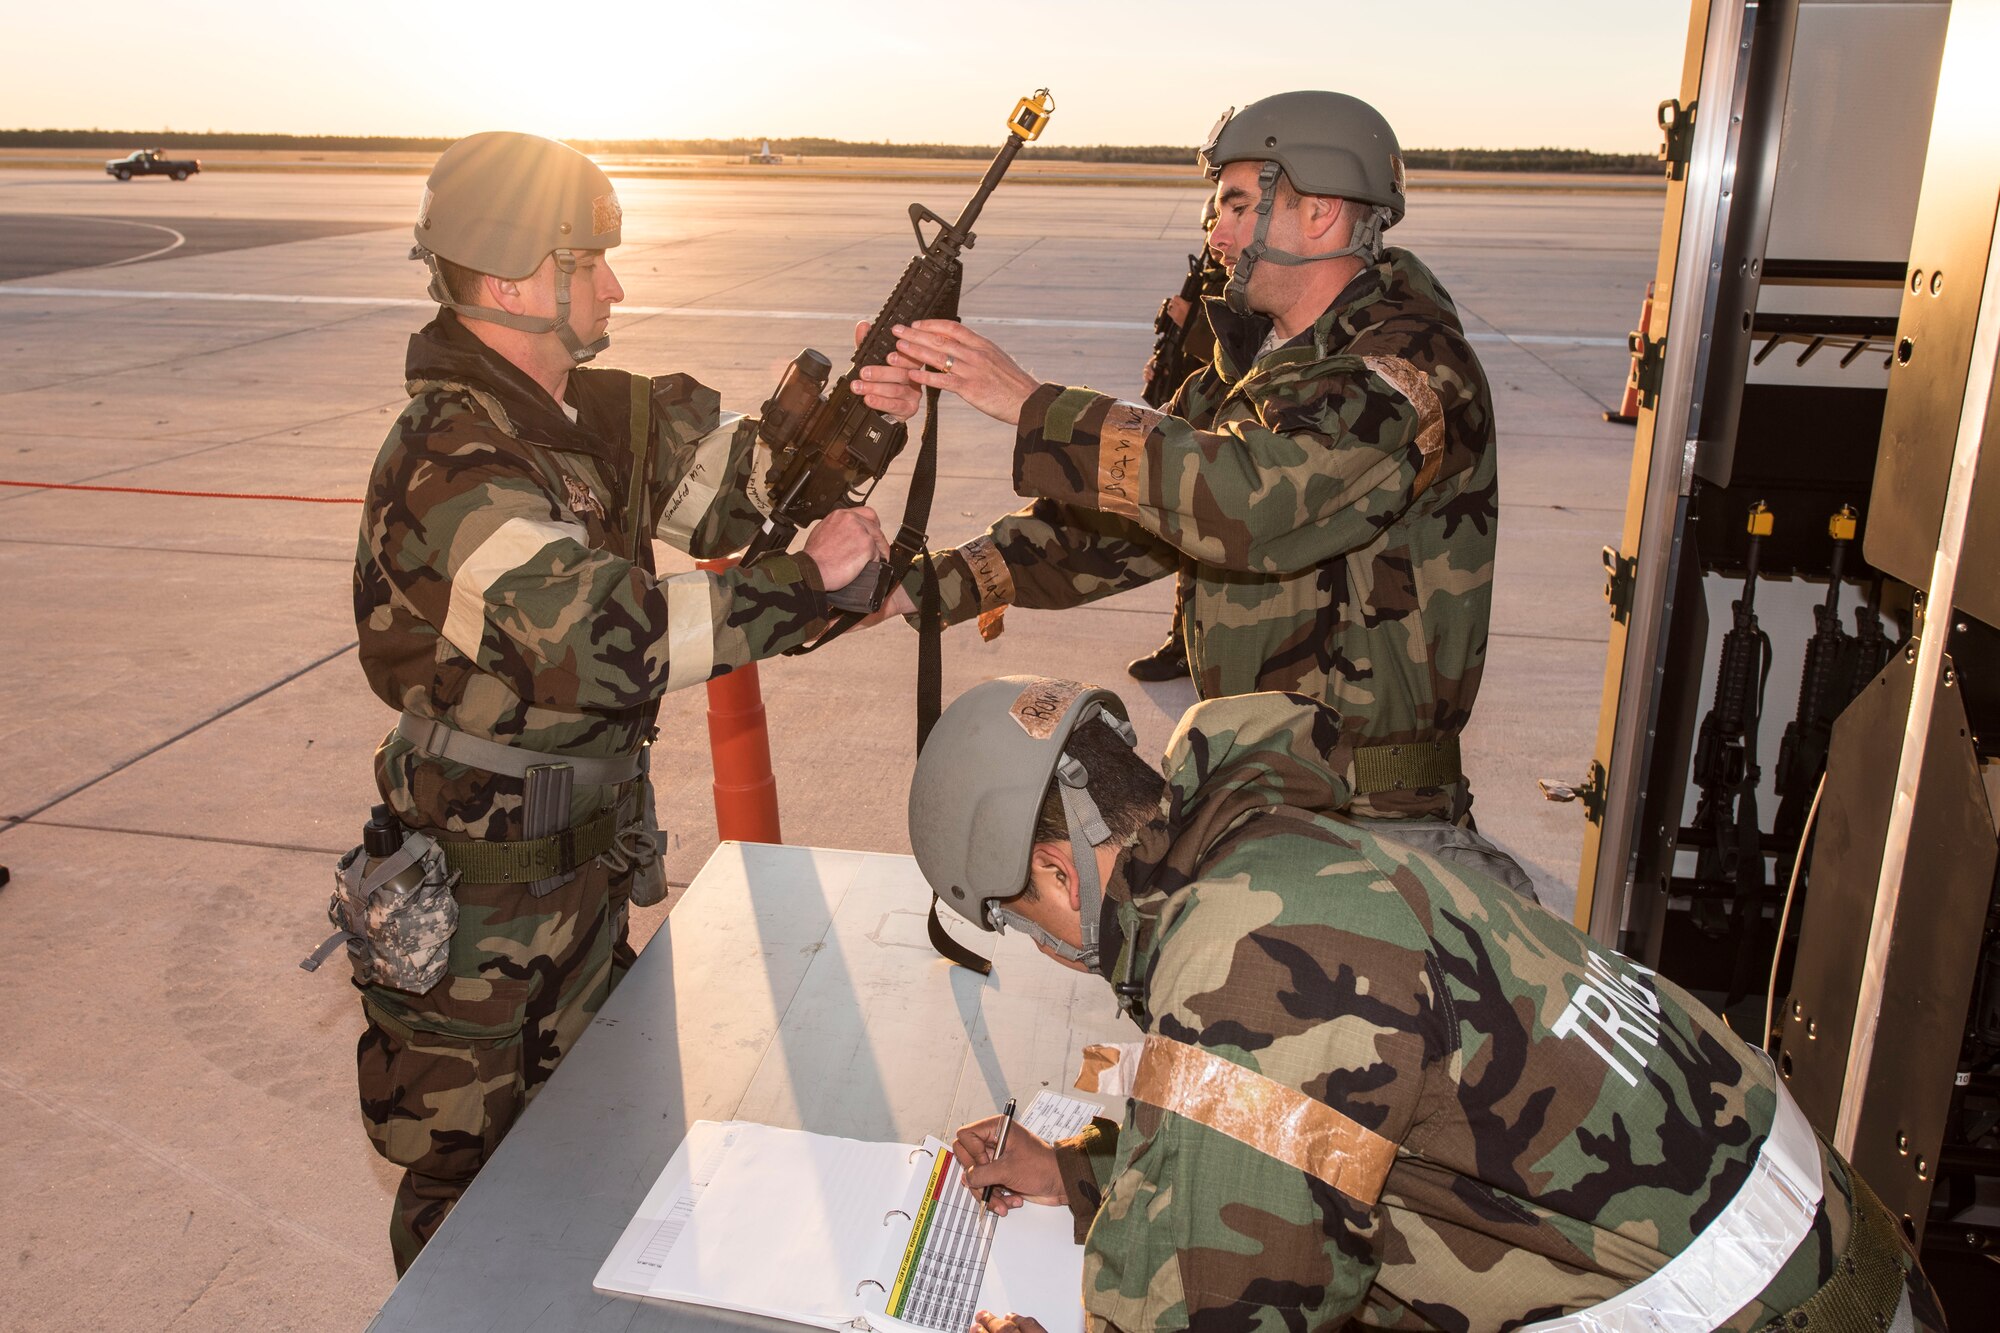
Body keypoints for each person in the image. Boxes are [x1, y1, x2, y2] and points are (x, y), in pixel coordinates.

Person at [908, 676, 1943, 1333]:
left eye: (1013, 917)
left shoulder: (1251, 969)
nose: (1041, 942)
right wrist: (1089, 1172)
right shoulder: (1270, 850)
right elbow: (1307, 1126)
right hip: (1823, 1263)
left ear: (1052, 869)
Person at [345, 131, 915, 1272]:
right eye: (589, 261)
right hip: (480, 916)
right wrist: (812, 587)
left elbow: (740, 495)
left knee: (594, 1160)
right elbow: (602, 643)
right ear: (512, 281)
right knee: (468, 1195)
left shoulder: (591, 419)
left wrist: (858, 410)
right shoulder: (452, 458)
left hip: (587, 881)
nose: (615, 283)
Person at [867, 91, 1512, 880]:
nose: (1218, 232)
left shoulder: (1410, 368)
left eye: (1239, 204)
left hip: (1372, 826)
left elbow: (1254, 503)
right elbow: (1119, 526)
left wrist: (1035, 406)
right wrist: (918, 588)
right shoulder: (1254, 364)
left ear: (1320, 214)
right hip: (1259, 797)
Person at [1127, 196, 1227, 684]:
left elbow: (1245, 354)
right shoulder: (1210, 277)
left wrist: (1190, 325)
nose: (1218, 235)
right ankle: (1185, 642)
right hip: (1191, 411)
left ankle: (1192, 648)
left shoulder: (1252, 284)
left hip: (1223, 424)